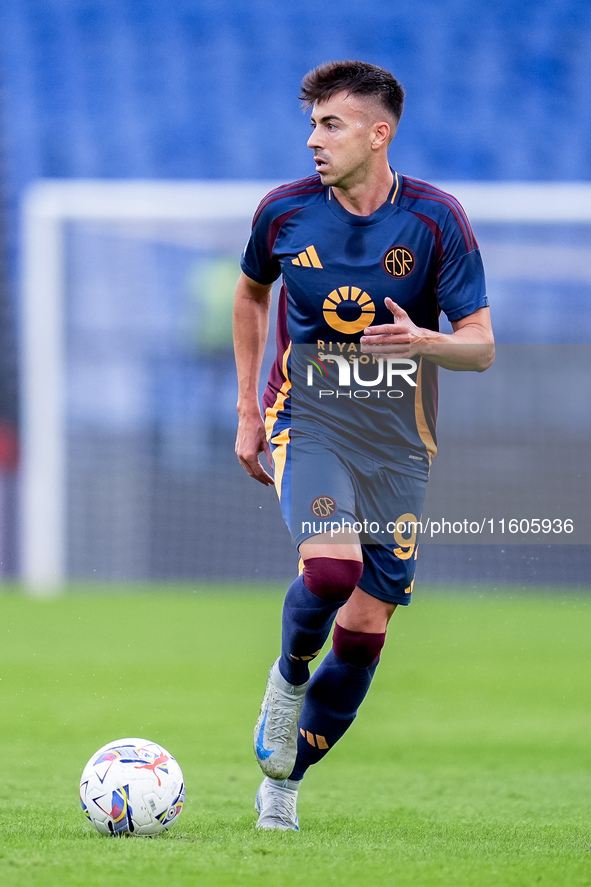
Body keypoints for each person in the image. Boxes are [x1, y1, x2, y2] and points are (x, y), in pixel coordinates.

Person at [233, 60, 494, 831]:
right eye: (312, 123)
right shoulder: (282, 213)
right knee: (331, 566)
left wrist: (423, 339)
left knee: (368, 623)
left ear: (378, 135)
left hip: (396, 439)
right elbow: (251, 292)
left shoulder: (435, 219)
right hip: (306, 412)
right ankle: (285, 682)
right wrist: (248, 410)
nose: (313, 139)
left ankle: (284, 779)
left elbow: (479, 346)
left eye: (330, 124)